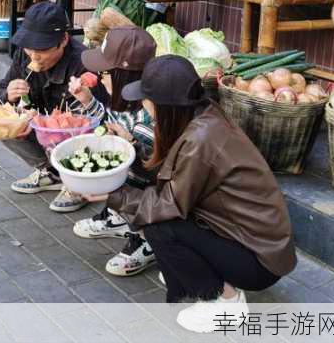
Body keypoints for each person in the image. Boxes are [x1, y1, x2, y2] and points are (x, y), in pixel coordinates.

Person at [98, 55, 296, 333]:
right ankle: (204, 275)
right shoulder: (204, 115)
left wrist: (111, 193)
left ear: (165, 107)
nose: (143, 104)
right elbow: (175, 179)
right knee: (154, 210)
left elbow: (168, 205)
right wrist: (131, 149)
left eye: (146, 99)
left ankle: (225, 300)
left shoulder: (201, 139)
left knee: (158, 224)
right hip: (255, 243)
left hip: (259, 261)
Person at [0, 1, 107, 212]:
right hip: (42, 129)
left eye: (42, 49)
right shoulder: (24, 53)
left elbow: (96, 123)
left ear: (63, 40)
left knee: (71, 134)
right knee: (3, 124)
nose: (34, 56)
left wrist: (41, 121)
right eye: (30, 48)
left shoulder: (83, 63)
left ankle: (78, 182)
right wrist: (8, 95)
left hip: (74, 134)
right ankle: (51, 173)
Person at [69, 26, 158, 276]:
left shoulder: (151, 111)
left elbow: (153, 165)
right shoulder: (120, 97)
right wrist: (87, 101)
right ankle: (119, 217)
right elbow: (110, 124)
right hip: (135, 179)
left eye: (106, 71)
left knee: (114, 176)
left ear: (125, 75)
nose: (100, 75)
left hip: (152, 187)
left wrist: (131, 145)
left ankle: (148, 239)